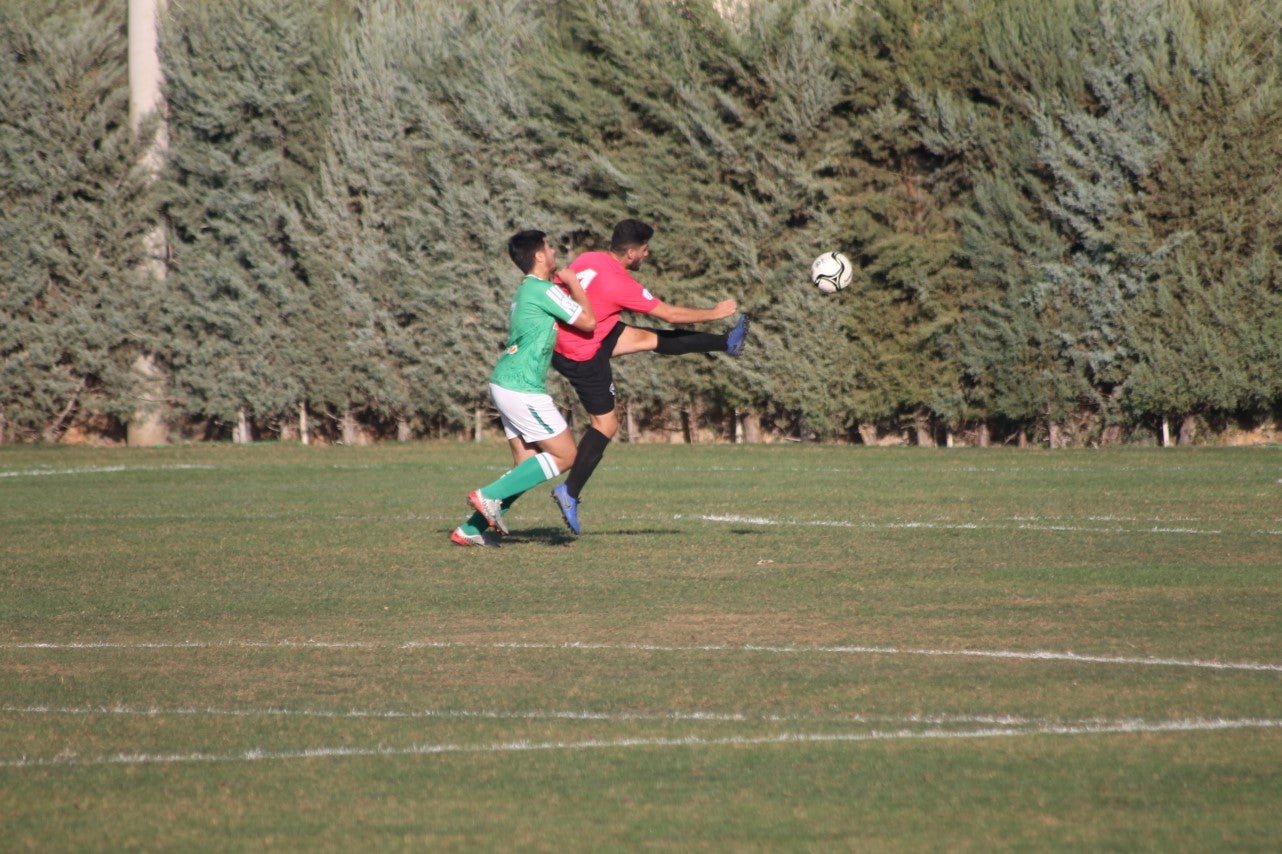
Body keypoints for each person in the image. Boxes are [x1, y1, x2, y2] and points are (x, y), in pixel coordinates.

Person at [549, 218, 750, 535]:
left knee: (650, 339)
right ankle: (569, 492)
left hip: (571, 337)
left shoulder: (589, 258)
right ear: (631, 253)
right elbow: (669, 313)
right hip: (582, 352)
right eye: (645, 250)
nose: (647, 255)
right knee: (607, 424)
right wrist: (713, 311)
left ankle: (727, 342)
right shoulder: (620, 283)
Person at [451, 229, 596, 547]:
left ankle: (471, 530)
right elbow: (587, 321)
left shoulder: (526, 291)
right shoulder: (543, 289)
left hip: (506, 382)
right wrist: (572, 283)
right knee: (568, 455)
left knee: (526, 464)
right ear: (540, 256)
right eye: (550, 247)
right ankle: (487, 495)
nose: (555, 251)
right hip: (521, 386)